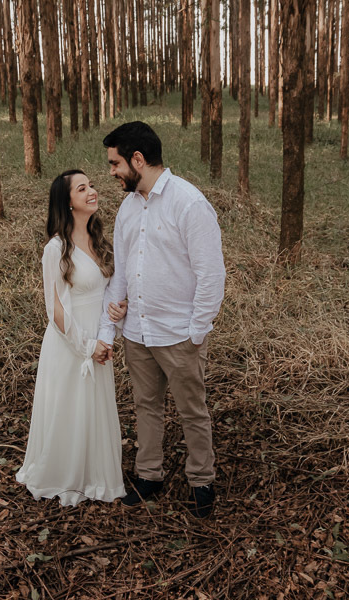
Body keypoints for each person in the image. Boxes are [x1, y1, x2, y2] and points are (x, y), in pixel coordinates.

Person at [97, 122, 226, 518]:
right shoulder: (128, 207)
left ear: (138, 159)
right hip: (137, 331)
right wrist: (114, 315)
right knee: (146, 406)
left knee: (192, 409)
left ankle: (201, 480)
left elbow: (211, 274)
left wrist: (196, 331)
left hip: (179, 334)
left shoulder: (189, 203)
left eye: (116, 163)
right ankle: (149, 476)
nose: (112, 172)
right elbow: (121, 269)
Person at [16, 170, 128, 507]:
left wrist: (116, 314)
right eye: (83, 189)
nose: (92, 191)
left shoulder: (98, 239)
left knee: (94, 408)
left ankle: (95, 476)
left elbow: (107, 290)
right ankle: (66, 475)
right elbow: (56, 311)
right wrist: (87, 346)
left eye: (91, 185)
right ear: (67, 202)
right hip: (70, 344)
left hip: (99, 338)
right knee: (70, 410)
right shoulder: (56, 249)